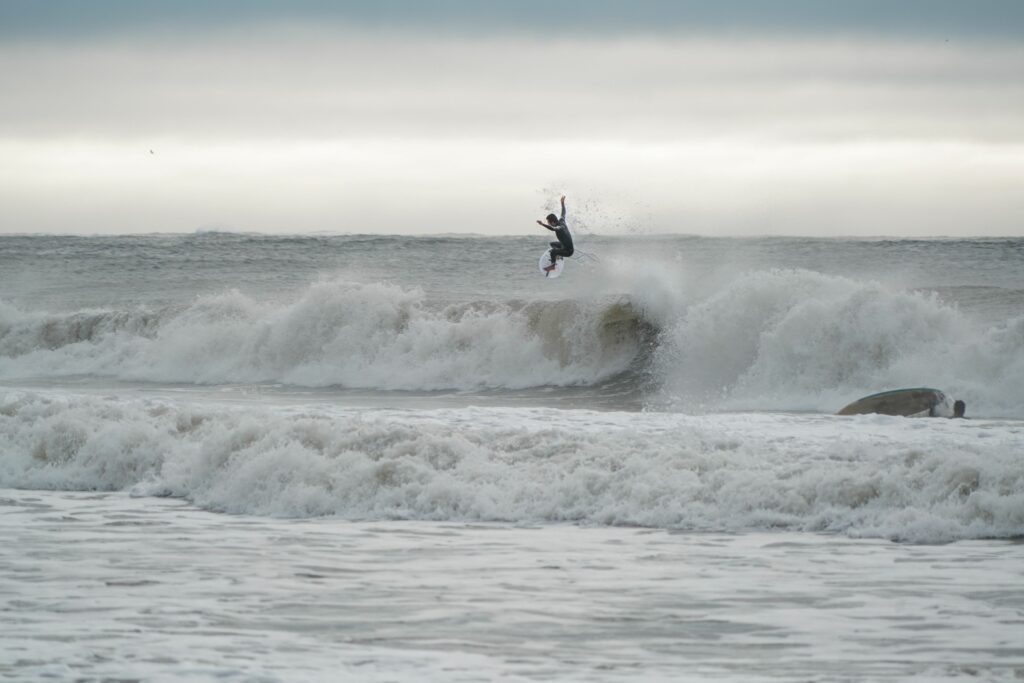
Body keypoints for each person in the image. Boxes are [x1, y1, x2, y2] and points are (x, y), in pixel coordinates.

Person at [537, 195, 573, 273]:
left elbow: (553, 228)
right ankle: (559, 256)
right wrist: (562, 203)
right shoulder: (561, 220)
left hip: (568, 251)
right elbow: (563, 212)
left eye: (549, 223)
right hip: (565, 246)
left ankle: (553, 266)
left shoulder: (559, 227)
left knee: (553, 251)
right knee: (552, 244)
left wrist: (542, 224)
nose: (549, 224)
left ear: (553, 222)